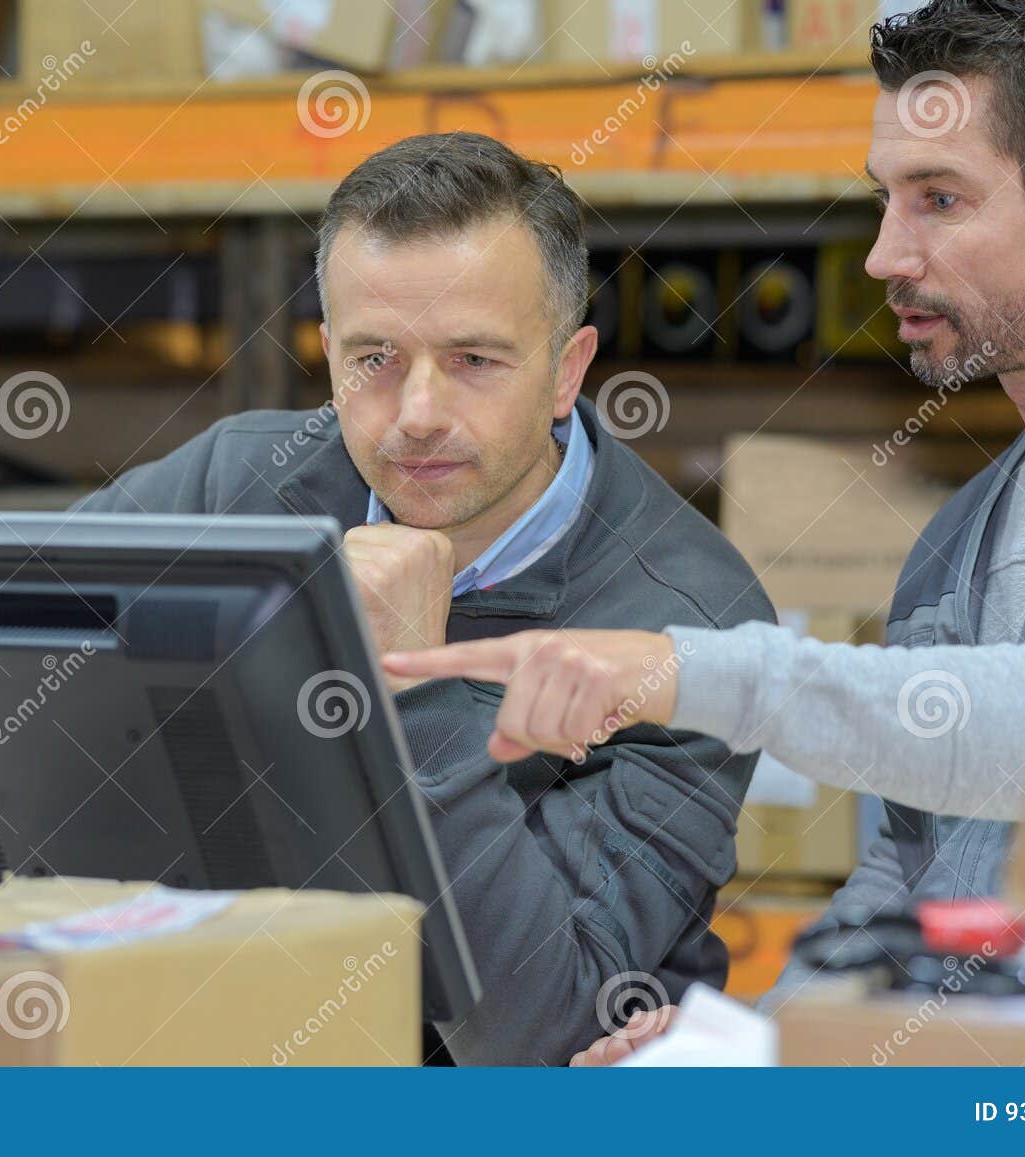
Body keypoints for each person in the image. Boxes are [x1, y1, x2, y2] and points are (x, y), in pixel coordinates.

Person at [382, 0, 1025, 1063]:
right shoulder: (956, 538)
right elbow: (902, 876)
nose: (884, 254)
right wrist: (761, 1043)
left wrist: (698, 671)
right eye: (884, 199)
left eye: (938, 200)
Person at [71, 131, 776, 1065]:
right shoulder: (238, 489)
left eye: (475, 359)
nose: (417, 413)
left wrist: (416, 680)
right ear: (328, 356)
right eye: (376, 360)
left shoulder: (693, 626)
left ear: (567, 370)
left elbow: (538, 1026)